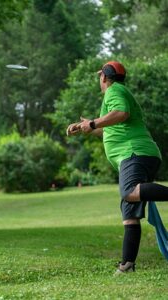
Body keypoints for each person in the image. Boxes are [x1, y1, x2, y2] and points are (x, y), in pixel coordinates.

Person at [66, 61, 168, 274]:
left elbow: (121, 114)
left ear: (104, 77)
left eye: (99, 76)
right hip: (137, 154)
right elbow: (113, 129)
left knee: (129, 193)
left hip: (133, 153)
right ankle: (127, 265)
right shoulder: (118, 92)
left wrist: (93, 123)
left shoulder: (114, 92)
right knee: (129, 211)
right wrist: (87, 127)